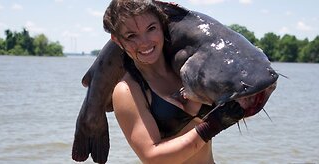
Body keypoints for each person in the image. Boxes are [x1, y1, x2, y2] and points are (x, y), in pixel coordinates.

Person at [104, 0, 244, 163]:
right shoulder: (127, 91)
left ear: (163, 25)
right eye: (131, 36)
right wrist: (213, 125)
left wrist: (240, 104)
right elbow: (152, 156)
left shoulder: (187, 67)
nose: (144, 42)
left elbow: (238, 105)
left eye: (151, 29)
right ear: (117, 40)